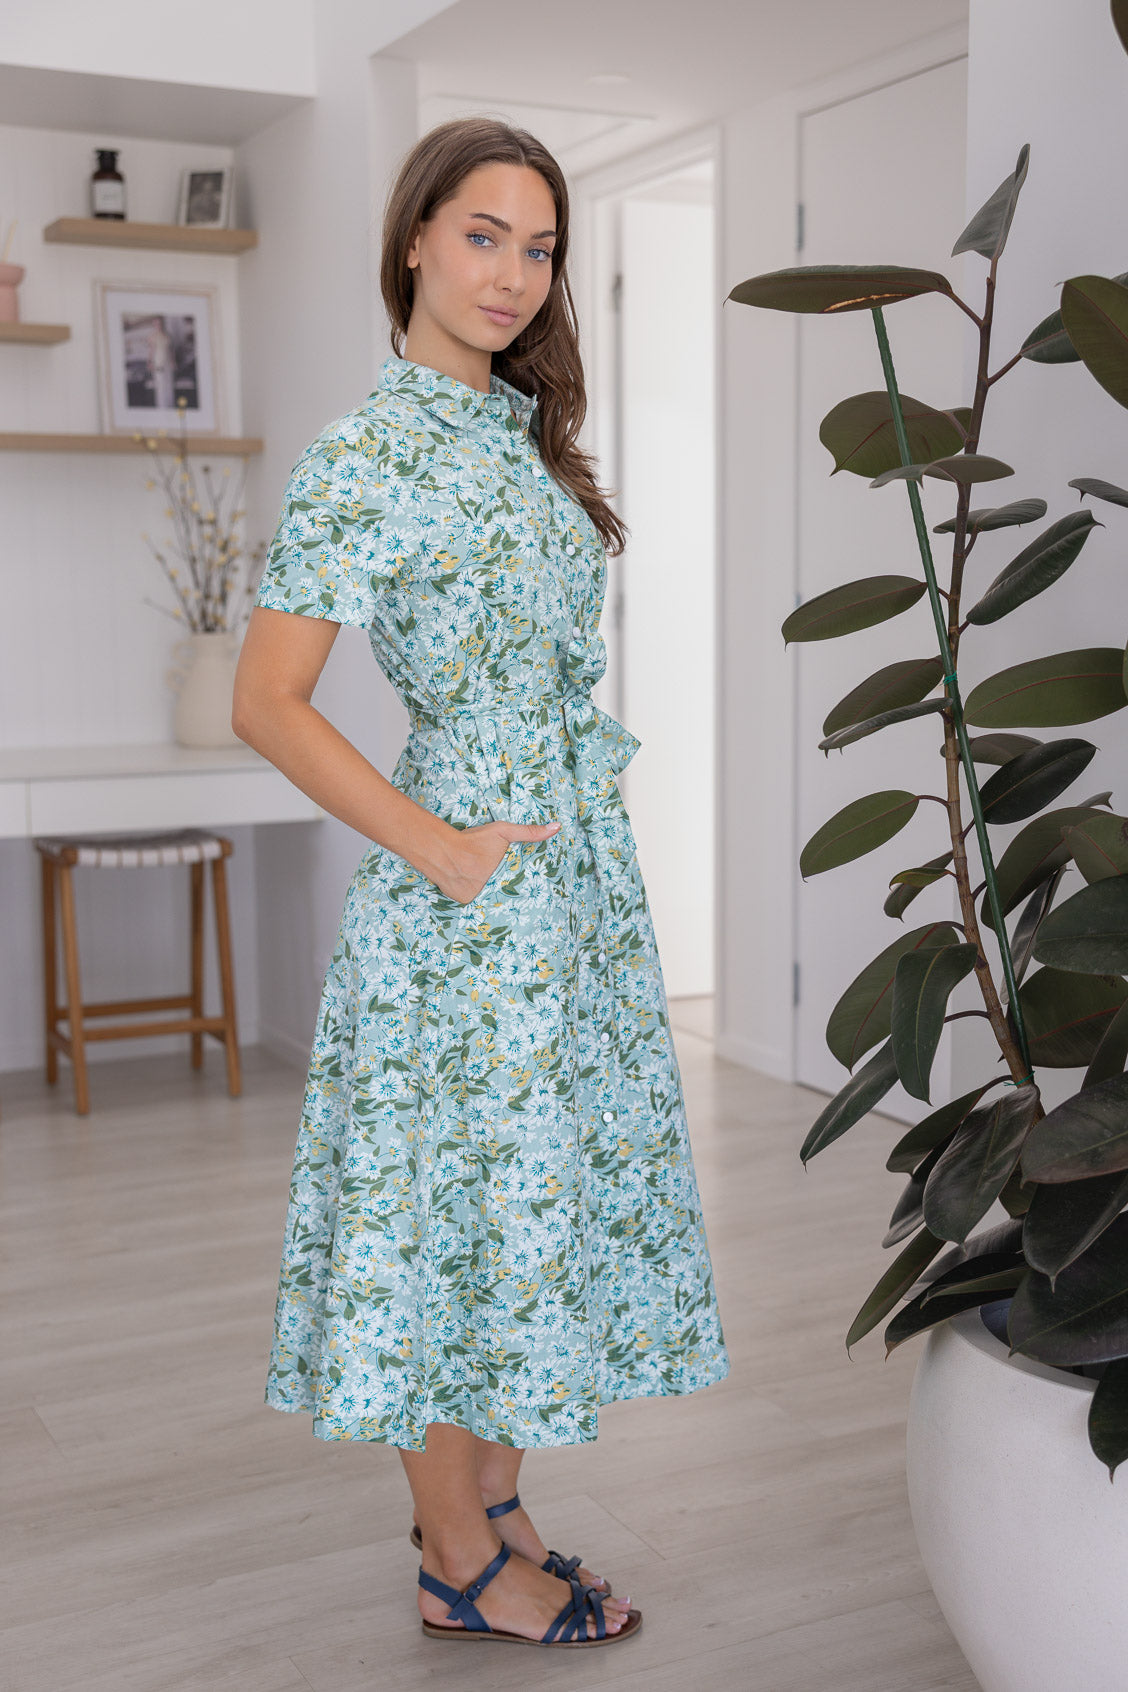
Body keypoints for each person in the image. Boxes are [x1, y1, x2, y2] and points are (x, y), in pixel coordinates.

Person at [232, 115, 729, 1650]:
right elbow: (269, 700)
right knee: (451, 1217)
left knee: (531, 1209)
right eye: (483, 236)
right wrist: (439, 846)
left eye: (541, 246)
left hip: (567, 890)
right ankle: (454, 1556)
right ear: (413, 243)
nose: (515, 273)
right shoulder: (369, 455)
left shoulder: (513, 434)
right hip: (470, 896)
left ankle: (499, 1505)